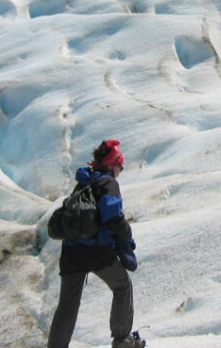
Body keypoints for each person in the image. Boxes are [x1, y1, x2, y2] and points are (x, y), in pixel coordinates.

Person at [48, 140, 145, 348]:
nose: (120, 171)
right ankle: (122, 341)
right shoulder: (108, 184)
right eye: (120, 166)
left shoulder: (83, 183)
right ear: (112, 164)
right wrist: (127, 236)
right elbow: (112, 217)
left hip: (71, 251)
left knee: (67, 305)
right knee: (122, 286)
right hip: (98, 252)